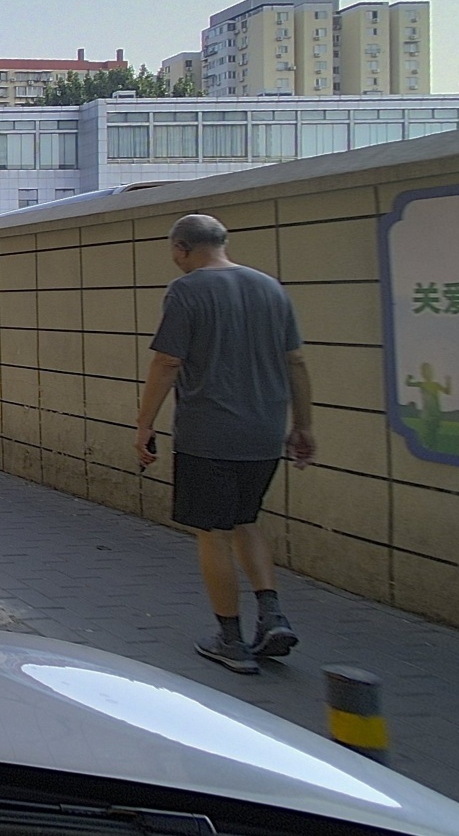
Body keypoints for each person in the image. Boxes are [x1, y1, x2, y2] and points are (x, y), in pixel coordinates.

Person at [135, 214, 315, 675]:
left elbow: (168, 361)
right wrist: (303, 425)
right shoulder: (270, 288)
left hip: (208, 433)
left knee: (213, 533)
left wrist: (144, 424)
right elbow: (295, 361)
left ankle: (230, 639)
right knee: (245, 521)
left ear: (181, 248)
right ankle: (272, 615)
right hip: (264, 432)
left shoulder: (187, 290)